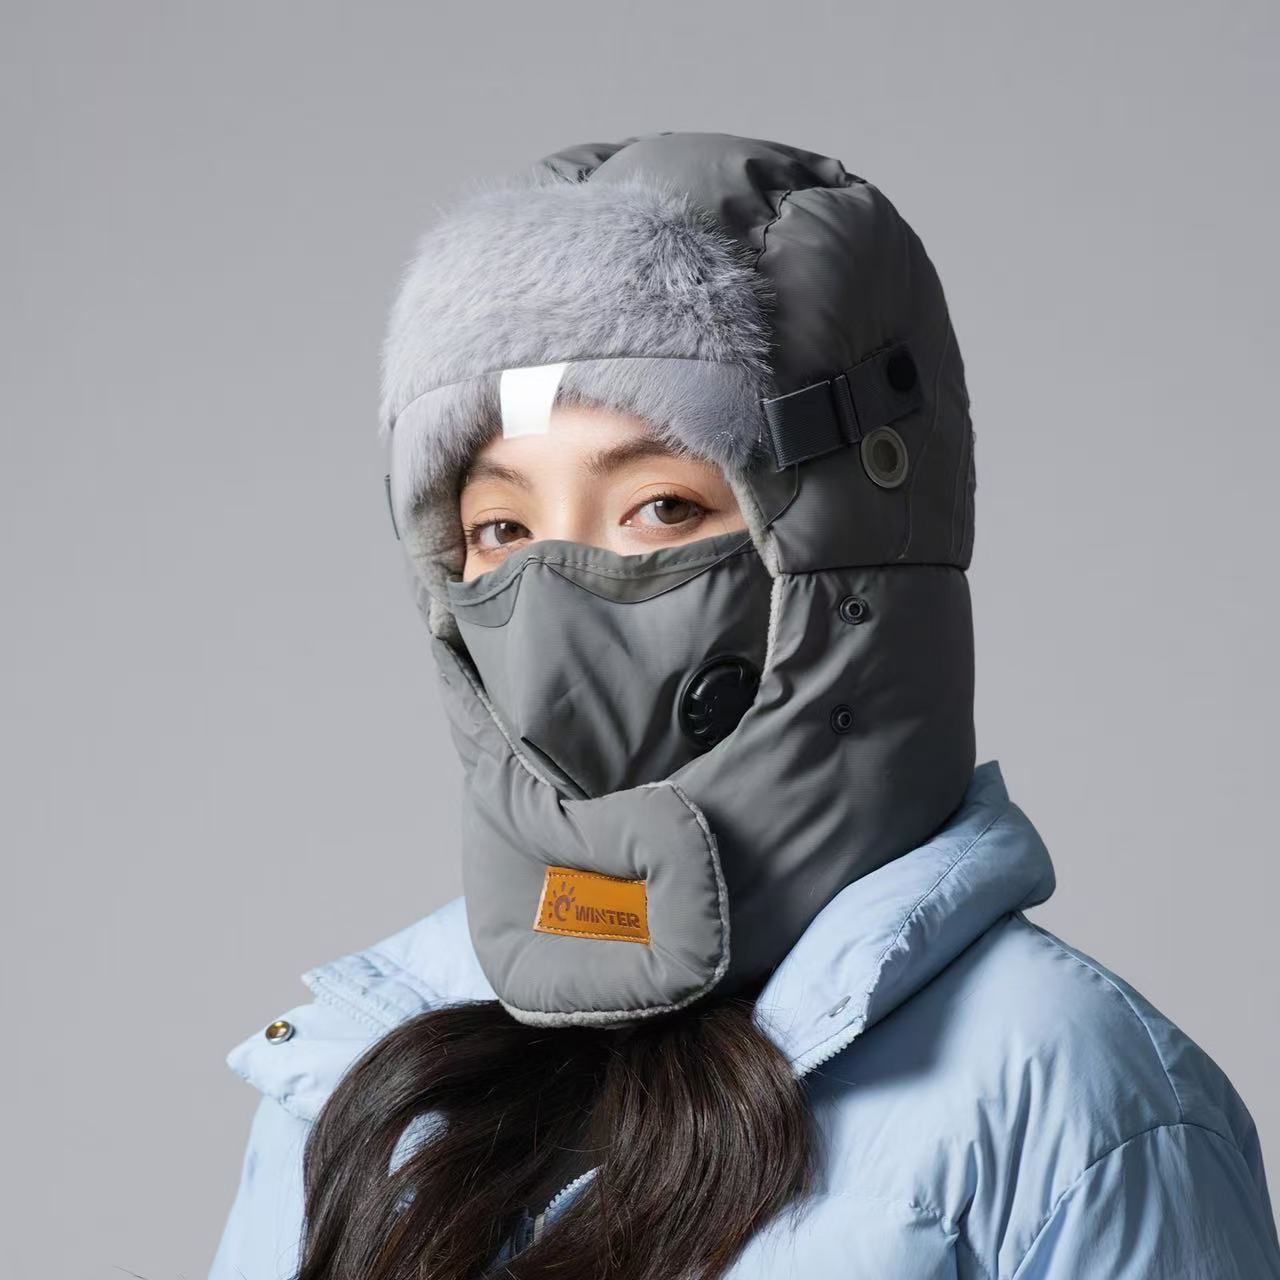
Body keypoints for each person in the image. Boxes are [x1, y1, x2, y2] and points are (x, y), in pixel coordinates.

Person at [209, 131, 1280, 1280]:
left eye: (660, 507)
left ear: (842, 549)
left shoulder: (1070, 1101)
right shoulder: (358, 1077)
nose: (553, 591)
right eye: (501, 528)